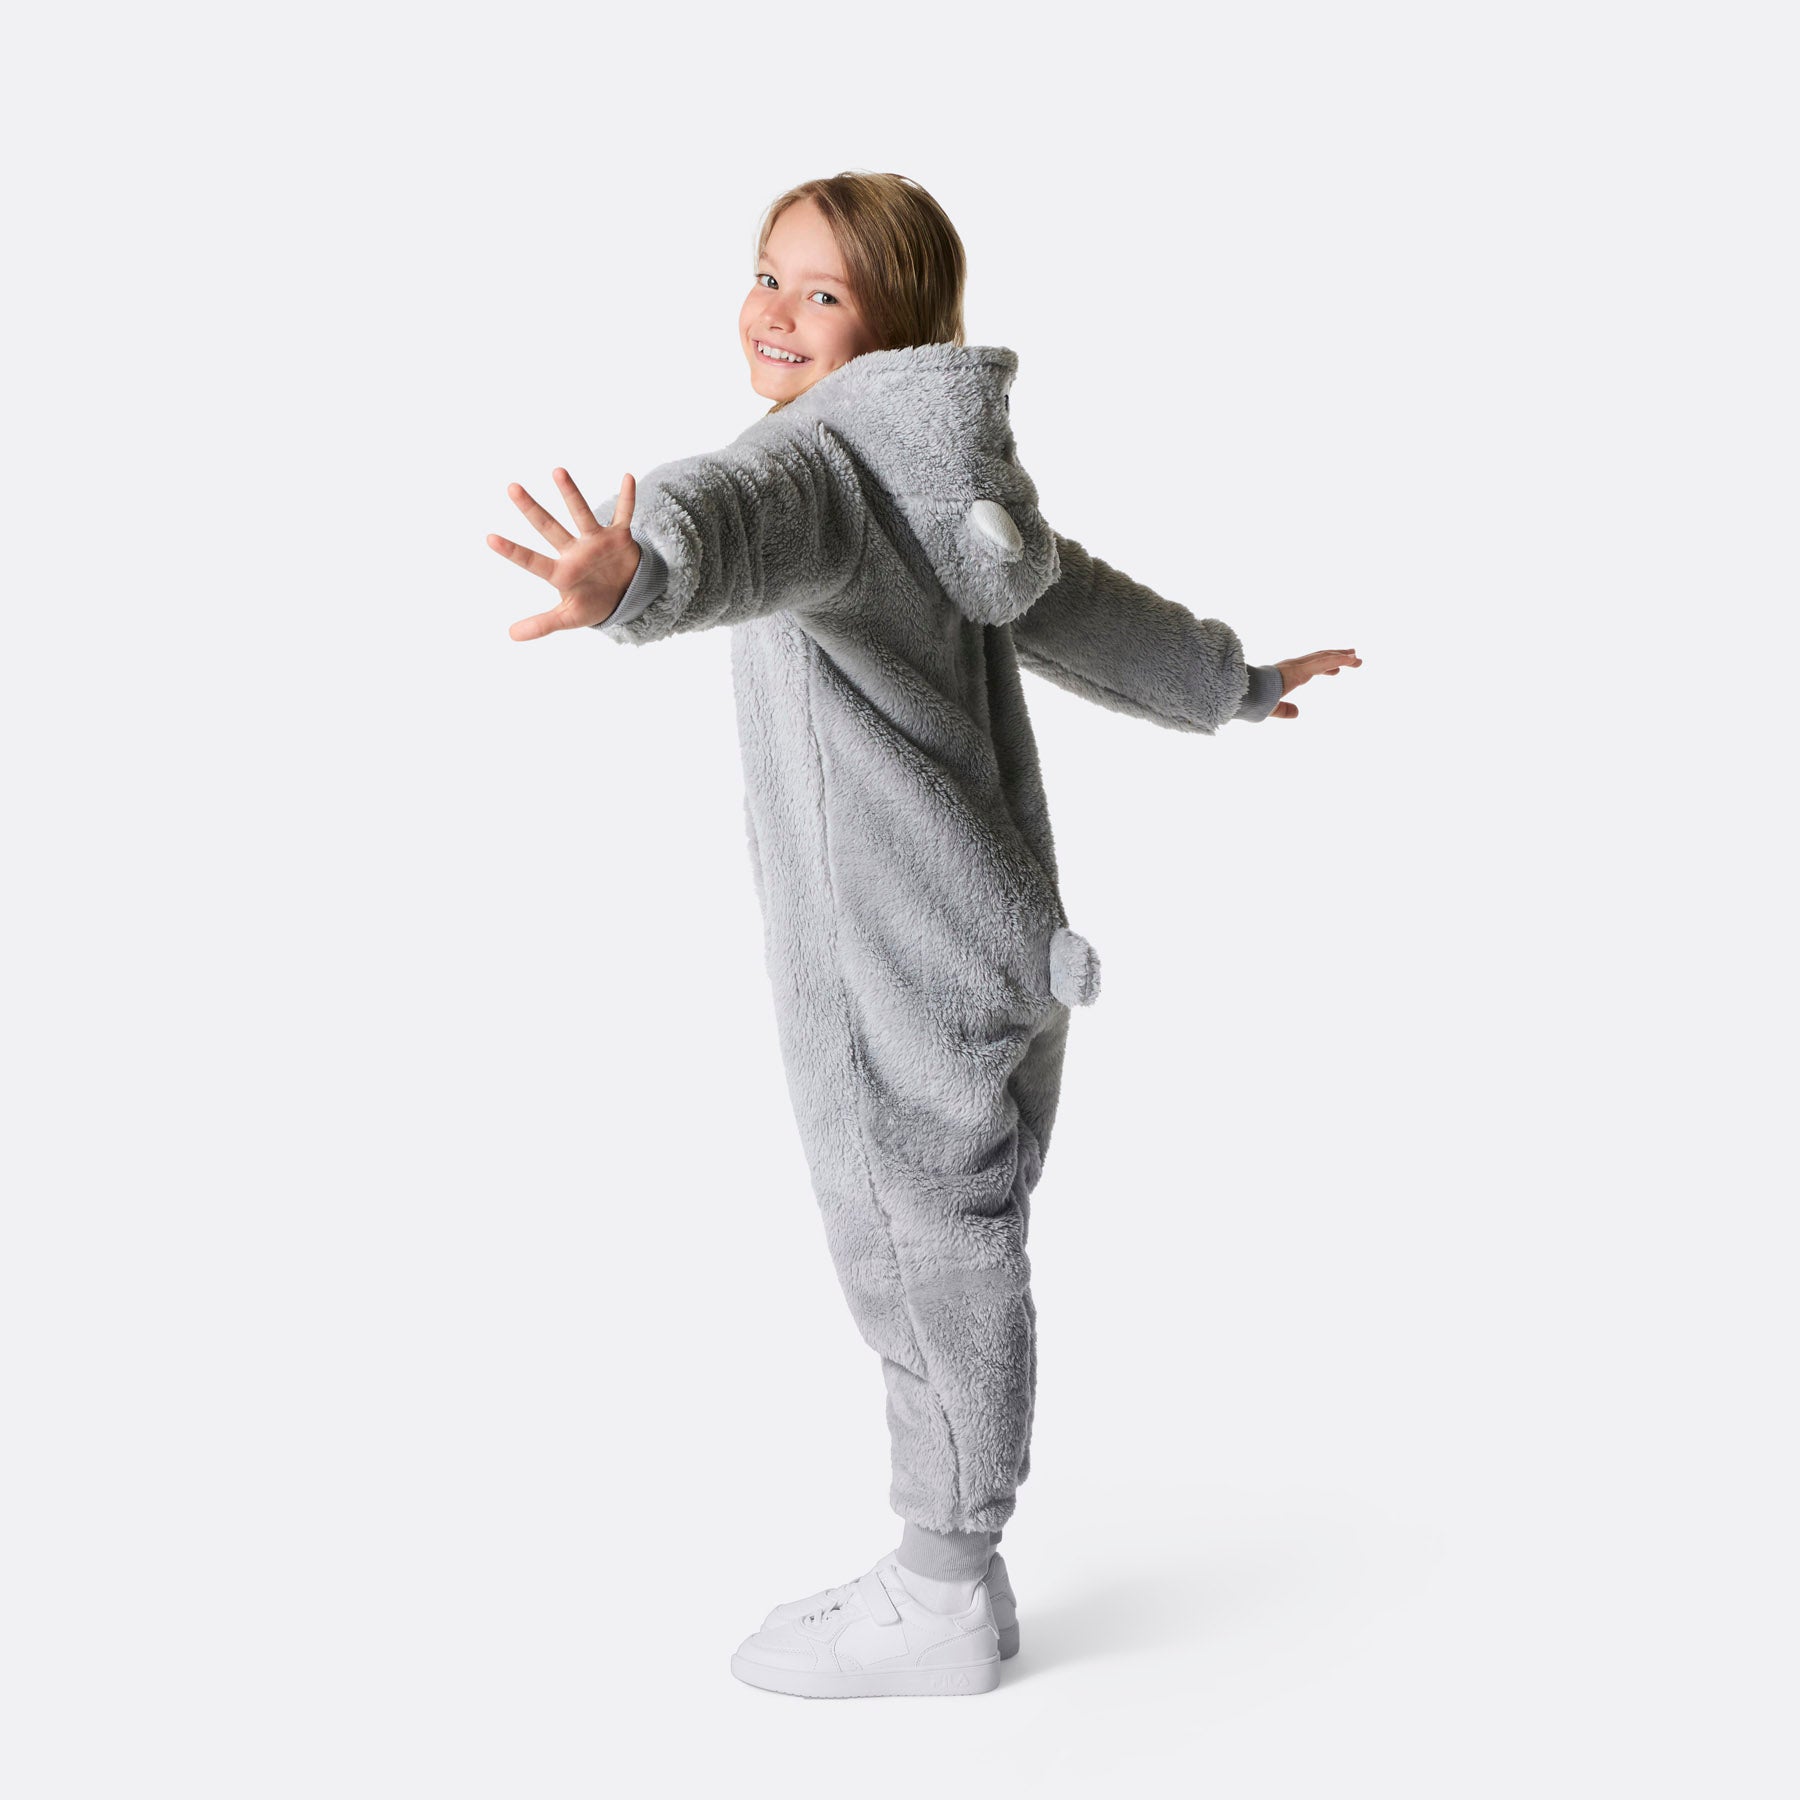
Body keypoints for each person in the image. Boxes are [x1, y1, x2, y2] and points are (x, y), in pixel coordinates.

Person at [486, 170, 1361, 1698]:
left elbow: (727, 516)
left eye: (822, 292)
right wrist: (1227, 682)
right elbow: (1067, 602)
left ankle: (940, 1587)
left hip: (891, 945)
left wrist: (637, 572)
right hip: (994, 933)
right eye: (767, 272)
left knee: (919, 1253)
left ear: (895, 324)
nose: (774, 312)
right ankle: (961, 1574)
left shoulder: (822, 466)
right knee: (961, 1237)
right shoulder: (947, 473)